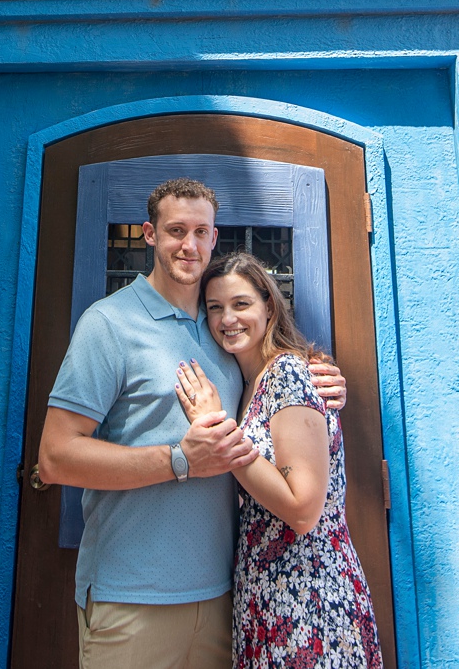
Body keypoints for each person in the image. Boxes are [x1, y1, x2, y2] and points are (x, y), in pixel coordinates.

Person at [38, 177, 346, 669]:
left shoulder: (225, 327)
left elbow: (276, 403)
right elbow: (54, 458)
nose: (190, 244)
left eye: (201, 231)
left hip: (228, 596)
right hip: (131, 596)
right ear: (149, 234)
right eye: (176, 230)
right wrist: (179, 460)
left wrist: (321, 381)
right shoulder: (109, 324)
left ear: (215, 238)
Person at [174, 252, 381, 667]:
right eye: (214, 308)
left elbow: (303, 509)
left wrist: (218, 431)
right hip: (264, 590)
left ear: (269, 305)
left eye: (241, 304)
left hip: (307, 594)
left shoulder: (286, 373)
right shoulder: (249, 384)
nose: (227, 318)